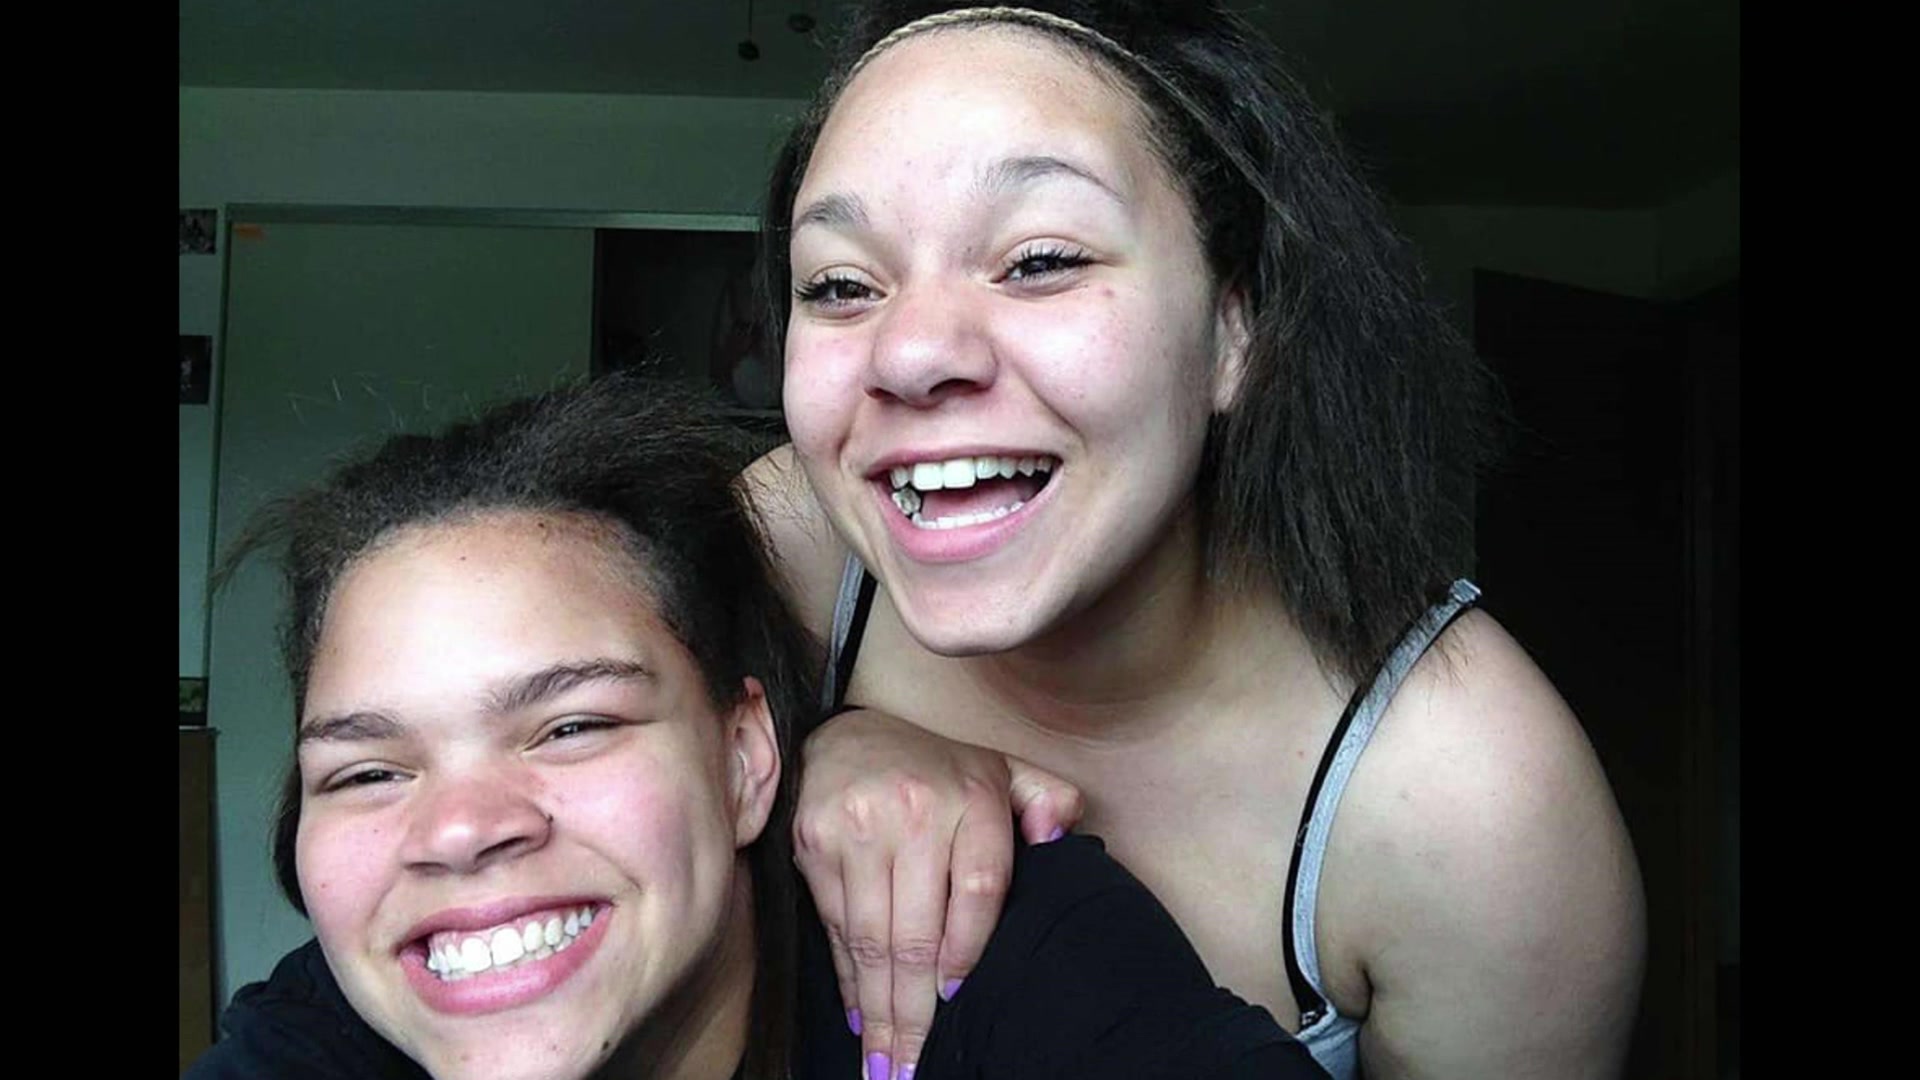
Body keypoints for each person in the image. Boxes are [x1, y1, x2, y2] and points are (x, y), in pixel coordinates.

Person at [748, 3, 1649, 1079]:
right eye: (841, 285)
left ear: (1235, 328)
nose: (910, 354)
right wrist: (812, 749)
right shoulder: (790, 551)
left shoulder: (1471, 802)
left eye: (1039, 261)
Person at [186, 373, 1330, 1080]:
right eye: (367, 772)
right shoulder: (334, 1024)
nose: (457, 831)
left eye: (571, 727)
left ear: (746, 758)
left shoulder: (980, 942)